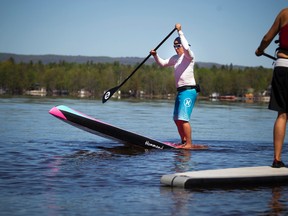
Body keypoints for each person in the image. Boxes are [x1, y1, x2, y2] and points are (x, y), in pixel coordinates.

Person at [150, 23, 200, 149]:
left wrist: (180, 32)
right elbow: (162, 63)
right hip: (180, 92)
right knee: (177, 119)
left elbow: (186, 47)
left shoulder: (189, 56)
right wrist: (155, 55)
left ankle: (189, 144)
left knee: (183, 119)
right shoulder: (175, 58)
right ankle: (183, 141)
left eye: (178, 46)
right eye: (174, 46)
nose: (176, 48)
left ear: (183, 45)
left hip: (189, 91)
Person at [255, 8, 288, 168]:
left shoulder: (284, 13)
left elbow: (267, 38)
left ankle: (277, 159)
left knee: (282, 114)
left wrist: (260, 49)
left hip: (283, 66)